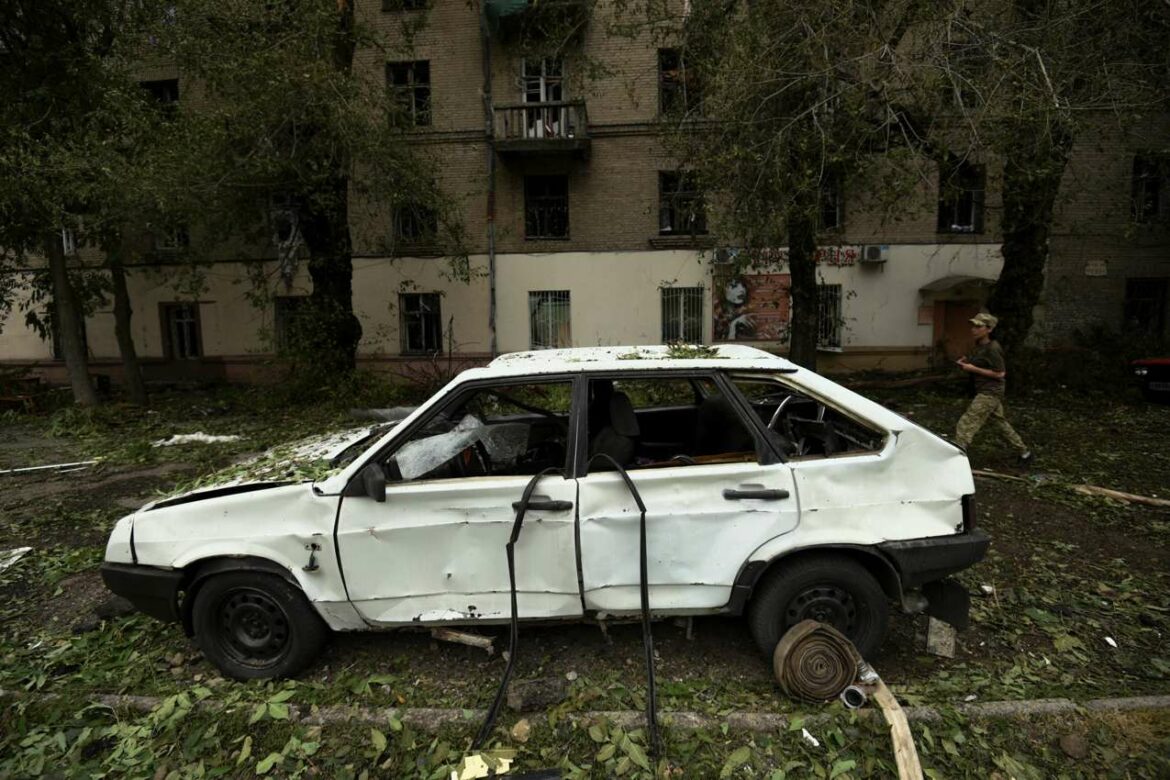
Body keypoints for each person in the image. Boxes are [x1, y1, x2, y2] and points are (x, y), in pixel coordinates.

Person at [953, 312, 1033, 464]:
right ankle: (1025, 453)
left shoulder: (993, 348)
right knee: (1000, 424)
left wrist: (972, 369)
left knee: (966, 423)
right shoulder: (979, 346)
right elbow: (980, 363)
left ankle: (957, 458)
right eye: (973, 326)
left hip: (990, 392)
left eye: (978, 326)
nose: (974, 329)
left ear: (989, 329)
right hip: (986, 391)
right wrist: (966, 362)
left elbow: (1000, 373)